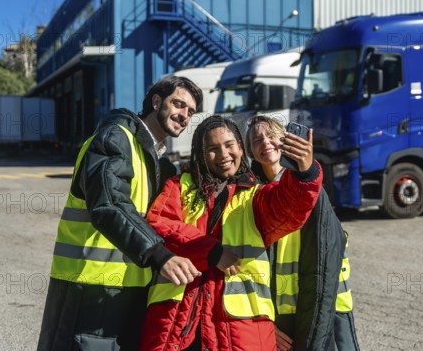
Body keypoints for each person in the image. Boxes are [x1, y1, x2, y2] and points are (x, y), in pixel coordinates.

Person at [37, 76, 204, 351]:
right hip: (88, 285)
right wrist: (159, 255)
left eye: (190, 111)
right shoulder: (115, 137)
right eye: (178, 104)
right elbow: (109, 204)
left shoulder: (156, 160)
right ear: (156, 101)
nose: (184, 115)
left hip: (127, 287)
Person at [138, 115, 323, 351]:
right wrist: (212, 252)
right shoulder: (179, 186)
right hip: (177, 324)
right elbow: (159, 224)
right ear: (200, 153)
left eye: (229, 146)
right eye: (213, 149)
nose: (224, 155)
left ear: (240, 147)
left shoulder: (256, 195)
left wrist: (304, 173)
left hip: (241, 332)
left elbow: (290, 206)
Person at [245, 116, 361, 351]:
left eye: (271, 136)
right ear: (250, 151)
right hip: (281, 316)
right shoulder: (250, 196)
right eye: (257, 139)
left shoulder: (308, 186)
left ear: (285, 140)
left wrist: (306, 169)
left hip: (326, 307)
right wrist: (264, 321)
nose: (265, 142)